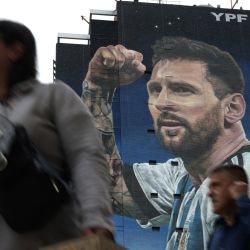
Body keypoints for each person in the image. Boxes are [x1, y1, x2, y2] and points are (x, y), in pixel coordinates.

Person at [81, 36, 250, 250]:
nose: (161, 103)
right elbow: (105, 185)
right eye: (155, 90)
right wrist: (98, 88)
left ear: (232, 108)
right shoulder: (183, 177)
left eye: (182, 89)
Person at [0, 19, 114, 250]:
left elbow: (86, 156)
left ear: (16, 49)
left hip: (55, 241)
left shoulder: (52, 96)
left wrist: (97, 220)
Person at [208, 164, 250, 250]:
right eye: (210, 188)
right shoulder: (218, 228)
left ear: (237, 188)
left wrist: (242, 199)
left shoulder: (245, 223)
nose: (209, 194)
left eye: (216, 185)